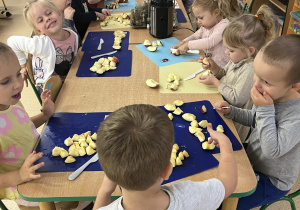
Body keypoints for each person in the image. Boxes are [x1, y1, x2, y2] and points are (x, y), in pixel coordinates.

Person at [92, 104, 237, 210]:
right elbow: (227, 184)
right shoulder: (189, 196)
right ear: (167, 169)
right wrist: (226, 147)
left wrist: (105, 191)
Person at [214, 34, 300, 210]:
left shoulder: (296, 116)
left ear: (294, 86)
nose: (257, 85)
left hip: (271, 180)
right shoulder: (271, 94)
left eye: (266, 81)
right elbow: (255, 119)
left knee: (223, 204)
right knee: (213, 169)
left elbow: (272, 150)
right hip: (252, 158)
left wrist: (265, 109)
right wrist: (232, 111)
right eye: (256, 76)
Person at [198, 5, 276, 141]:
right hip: (223, 107)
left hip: (235, 124)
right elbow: (224, 74)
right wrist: (214, 68)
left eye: (231, 50)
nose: (227, 53)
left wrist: (216, 82)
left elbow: (236, 99)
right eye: (226, 48)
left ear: (250, 51)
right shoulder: (237, 59)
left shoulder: (250, 69)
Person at [0, 42, 54, 208]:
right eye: (5, 81)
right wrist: (20, 175)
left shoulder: (11, 101)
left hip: (40, 159)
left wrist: (45, 115)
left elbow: (23, 126)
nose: (17, 84)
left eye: (18, 74)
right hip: (22, 185)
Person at [7, 0, 79, 95]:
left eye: (49, 13)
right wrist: (23, 65)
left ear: (59, 13)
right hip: (48, 86)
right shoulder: (40, 44)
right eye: (40, 20)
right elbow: (12, 41)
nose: (47, 19)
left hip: (68, 78)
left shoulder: (73, 35)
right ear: (39, 31)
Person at [172, 0, 232, 68]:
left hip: (222, 68)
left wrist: (188, 45)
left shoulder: (224, 25)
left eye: (201, 18)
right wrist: (183, 42)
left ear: (216, 12)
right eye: (197, 18)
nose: (198, 21)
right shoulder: (208, 25)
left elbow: (210, 42)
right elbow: (195, 36)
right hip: (211, 65)